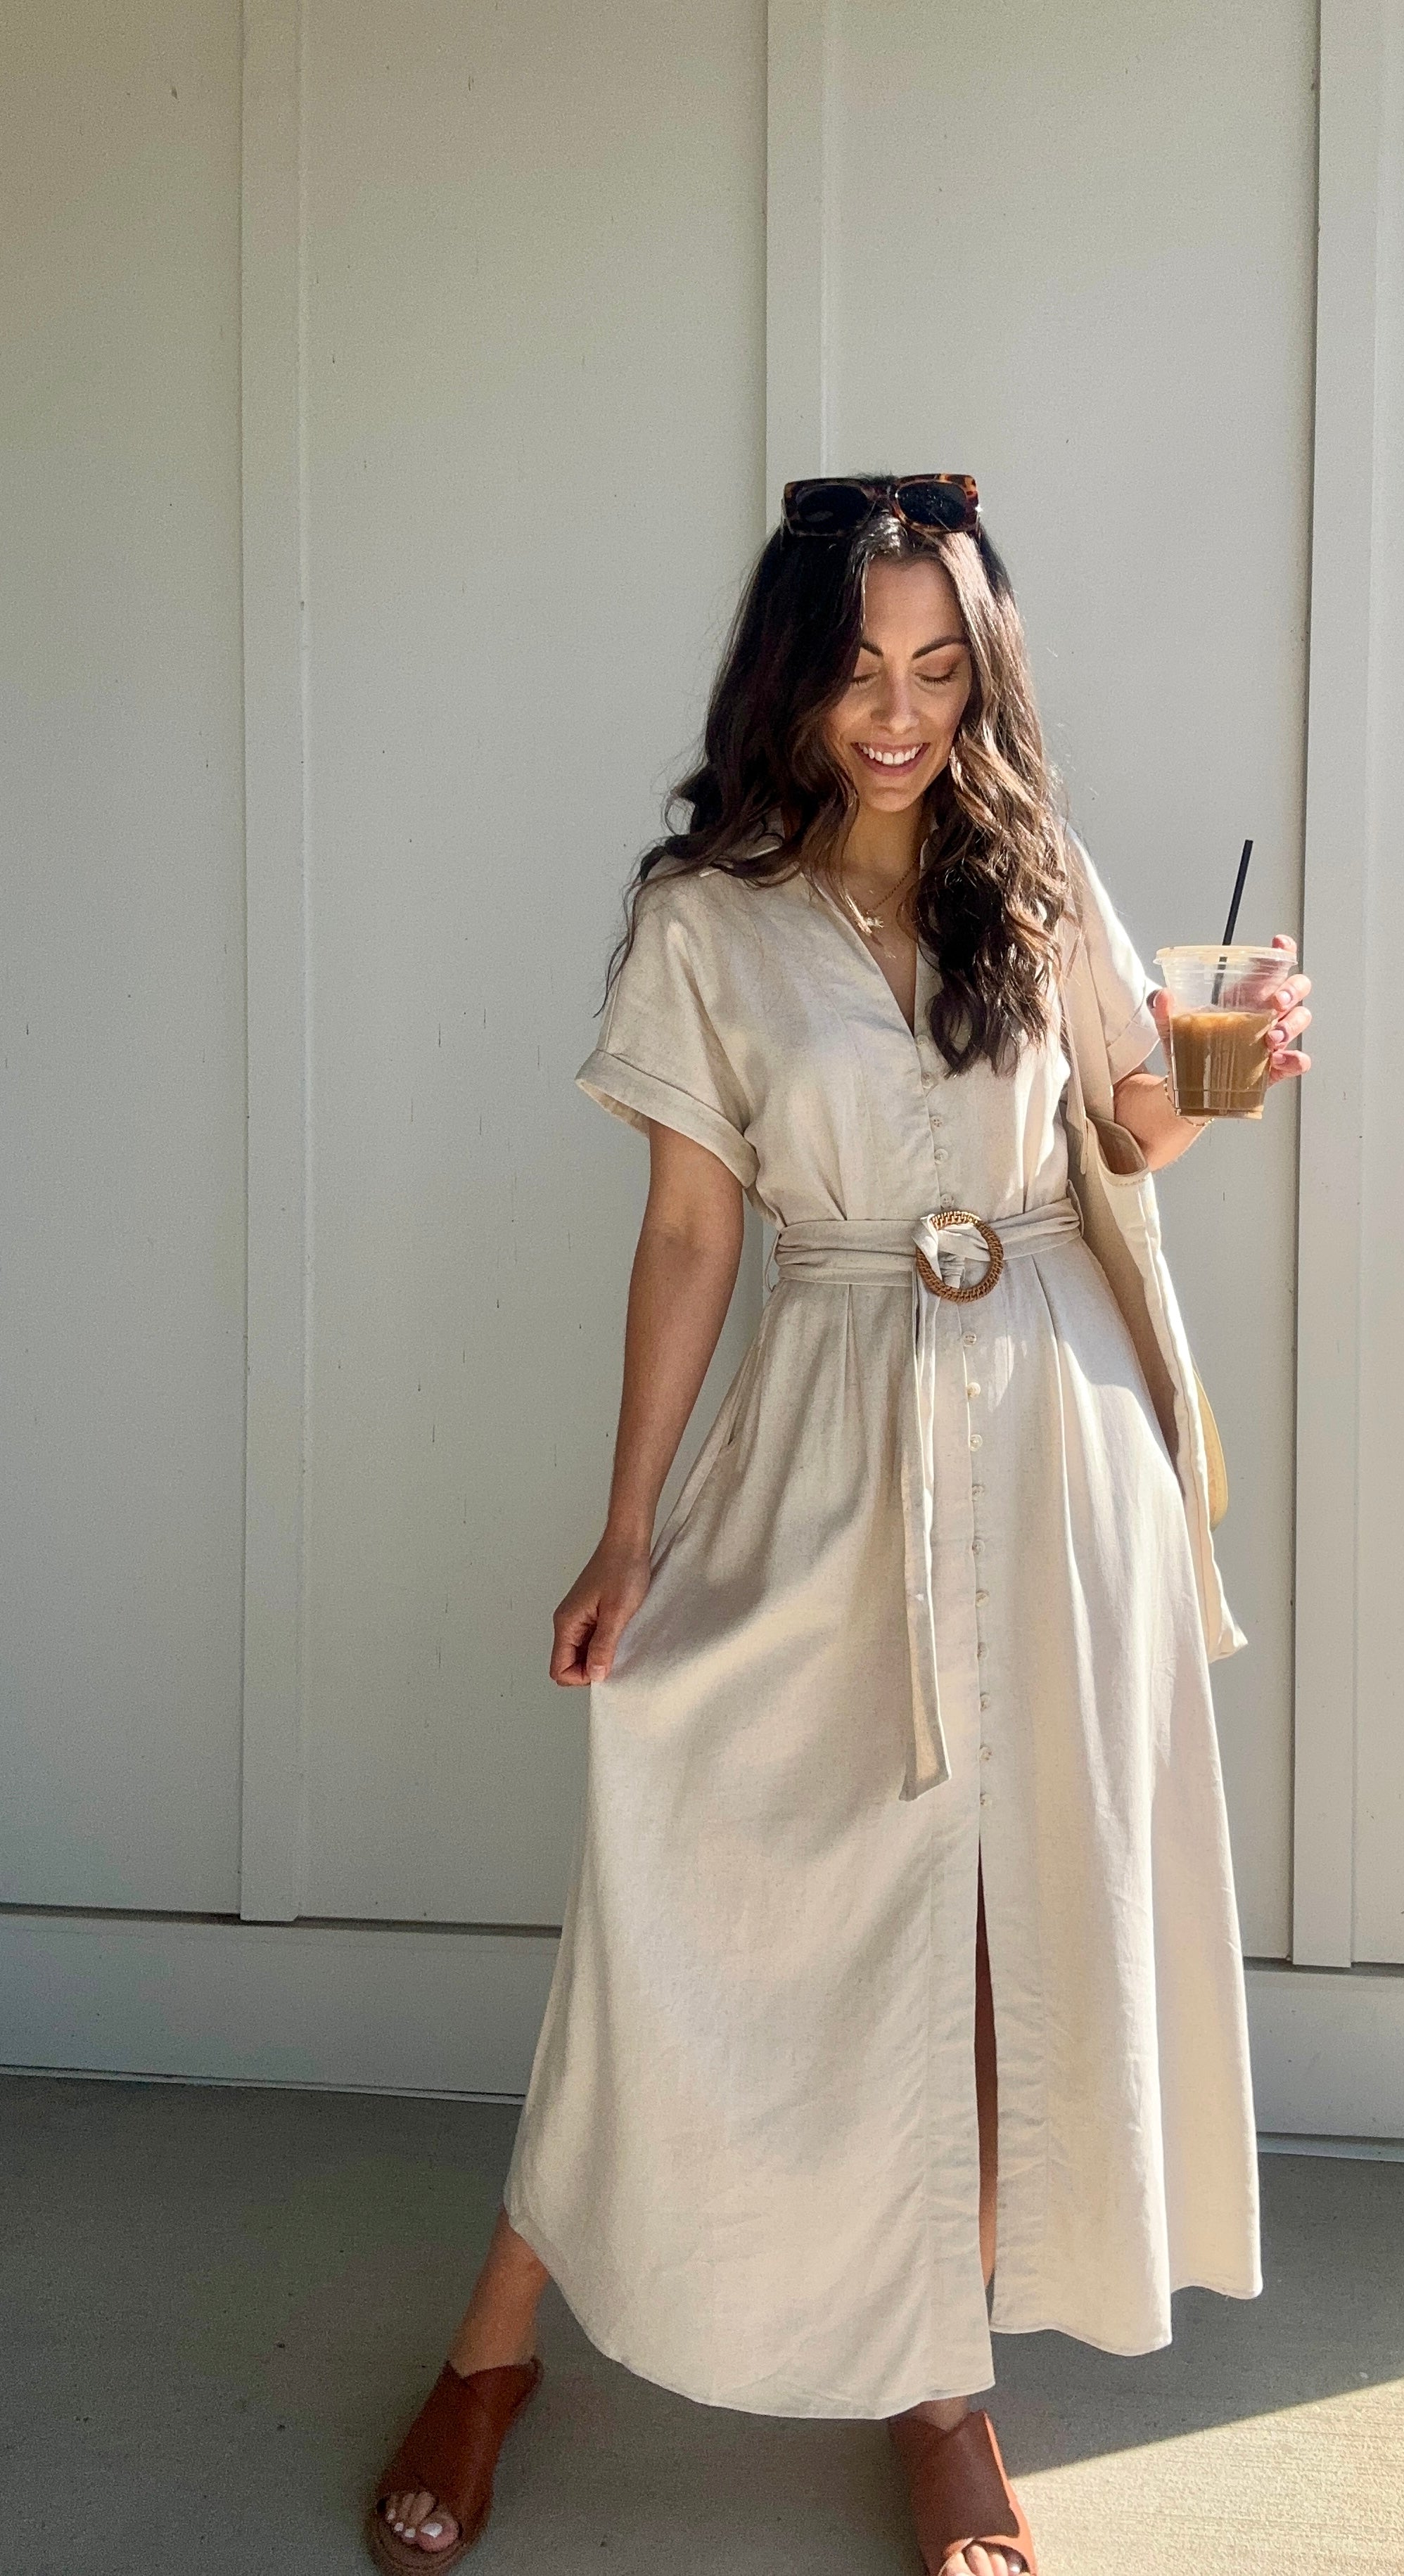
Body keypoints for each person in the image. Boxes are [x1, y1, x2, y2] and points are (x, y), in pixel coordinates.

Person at [366, 473, 1313, 2576]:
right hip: (818, 1435)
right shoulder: (707, 917)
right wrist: (624, 1532)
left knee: (988, 1930)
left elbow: (1121, 1127)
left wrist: (1224, 1075)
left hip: (1055, 1440)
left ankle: (942, 2387)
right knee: (688, 1898)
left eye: (939, 664)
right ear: (788, 675)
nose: (898, 711)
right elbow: (693, 1232)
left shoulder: (1039, 873)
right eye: (859, 668)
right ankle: (503, 2328)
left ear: (982, 672)